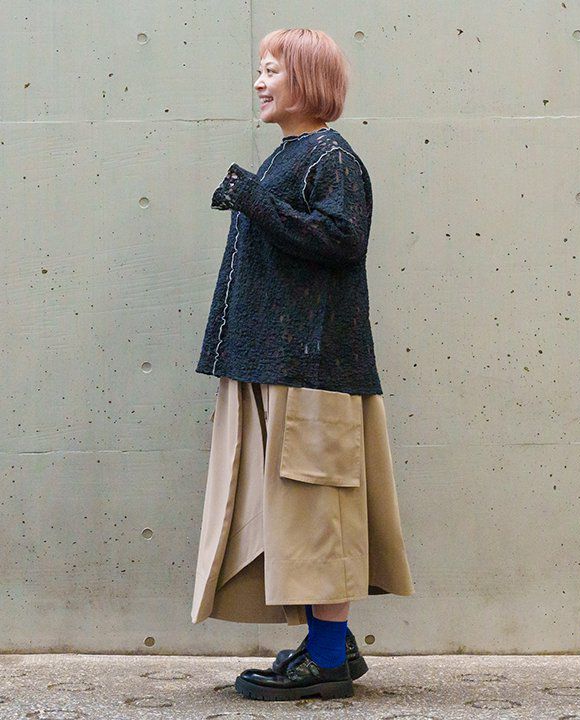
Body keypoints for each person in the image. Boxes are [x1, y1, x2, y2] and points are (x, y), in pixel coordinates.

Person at [190, 27, 414, 702]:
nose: (259, 82)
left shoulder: (331, 158)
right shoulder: (294, 155)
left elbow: (343, 240)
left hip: (314, 368)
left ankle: (327, 659)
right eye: (259, 70)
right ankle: (328, 644)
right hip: (280, 363)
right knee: (298, 510)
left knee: (319, 508)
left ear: (308, 81)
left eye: (272, 70)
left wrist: (254, 198)